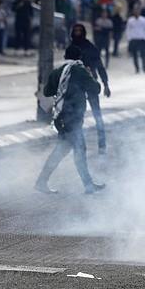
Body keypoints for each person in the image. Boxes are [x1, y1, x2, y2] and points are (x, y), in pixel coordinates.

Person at [35, 45, 105, 194]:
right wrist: (90, 74)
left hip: (60, 118)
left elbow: (47, 91)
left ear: (65, 56)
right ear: (79, 57)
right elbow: (96, 88)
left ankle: (42, 182)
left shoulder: (58, 72)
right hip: (72, 119)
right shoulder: (79, 70)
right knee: (79, 150)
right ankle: (88, 185)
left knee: (62, 151)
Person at [67, 23, 110, 154]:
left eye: (80, 31)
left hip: (90, 83)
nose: (77, 33)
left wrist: (106, 84)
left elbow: (100, 66)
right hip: (76, 87)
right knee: (76, 116)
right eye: (75, 31)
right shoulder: (70, 48)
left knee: (97, 114)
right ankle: (78, 145)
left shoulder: (90, 47)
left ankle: (102, 145)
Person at [126, 5, 145, 73]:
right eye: (135, 11)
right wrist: (129, 38)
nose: (136, 12)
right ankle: (137, 68)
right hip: (133, 39)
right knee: (134, 55)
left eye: (137, 11)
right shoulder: (130, 20)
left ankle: (144, 68)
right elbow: (128, 29)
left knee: (143, 54)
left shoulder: (143, 20)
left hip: (141, 39)